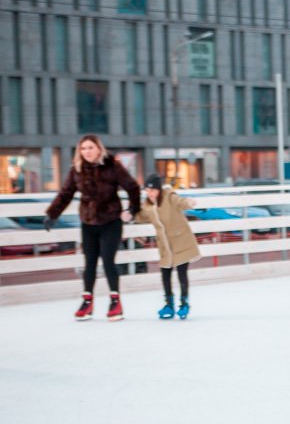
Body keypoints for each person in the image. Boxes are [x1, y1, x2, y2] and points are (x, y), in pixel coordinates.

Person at [44, 134, 141, 321]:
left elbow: (133, 187)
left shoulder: (112, 166)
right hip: (88, 223)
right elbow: (65, 194)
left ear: (98, 148)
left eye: (90, 147)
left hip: (111, 221)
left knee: (107, 261)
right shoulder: (77, 170)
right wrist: (52, 214)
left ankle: (115, 301)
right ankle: (87, 301)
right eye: (83, 148)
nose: (86, 152)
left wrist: (132, 209)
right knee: (89, 263)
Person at [134, 173, 200, 320]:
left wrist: (189, 202)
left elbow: (180, 202)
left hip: (181, 242)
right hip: (165, 247)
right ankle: (169, 304)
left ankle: (184, 304)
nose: (149, 193)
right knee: (165, 275)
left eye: (152, 190)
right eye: (147, 190)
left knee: (182, 273)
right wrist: (130, 213)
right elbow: (141, 217)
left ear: (158, 189)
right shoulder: (148, 206)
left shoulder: (169, 197)